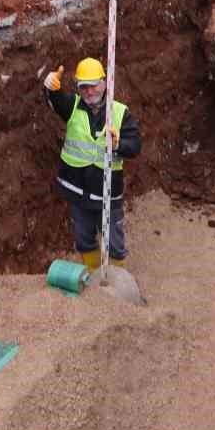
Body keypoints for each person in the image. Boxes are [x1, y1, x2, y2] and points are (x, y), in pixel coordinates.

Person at [43, 57, 142, 270]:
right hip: (78, 192)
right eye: (83, 87)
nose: (89, 92)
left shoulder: (119, 113)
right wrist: (50, 87)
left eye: (93, 85)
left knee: (114, 243)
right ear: (78, 87)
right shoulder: (73, 106)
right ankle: (93, 273)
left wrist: (118, 144)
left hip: (107, 194)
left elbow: (135, 146)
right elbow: (56, 100)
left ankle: (116, 277)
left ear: (104, 83)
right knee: (84, 238)